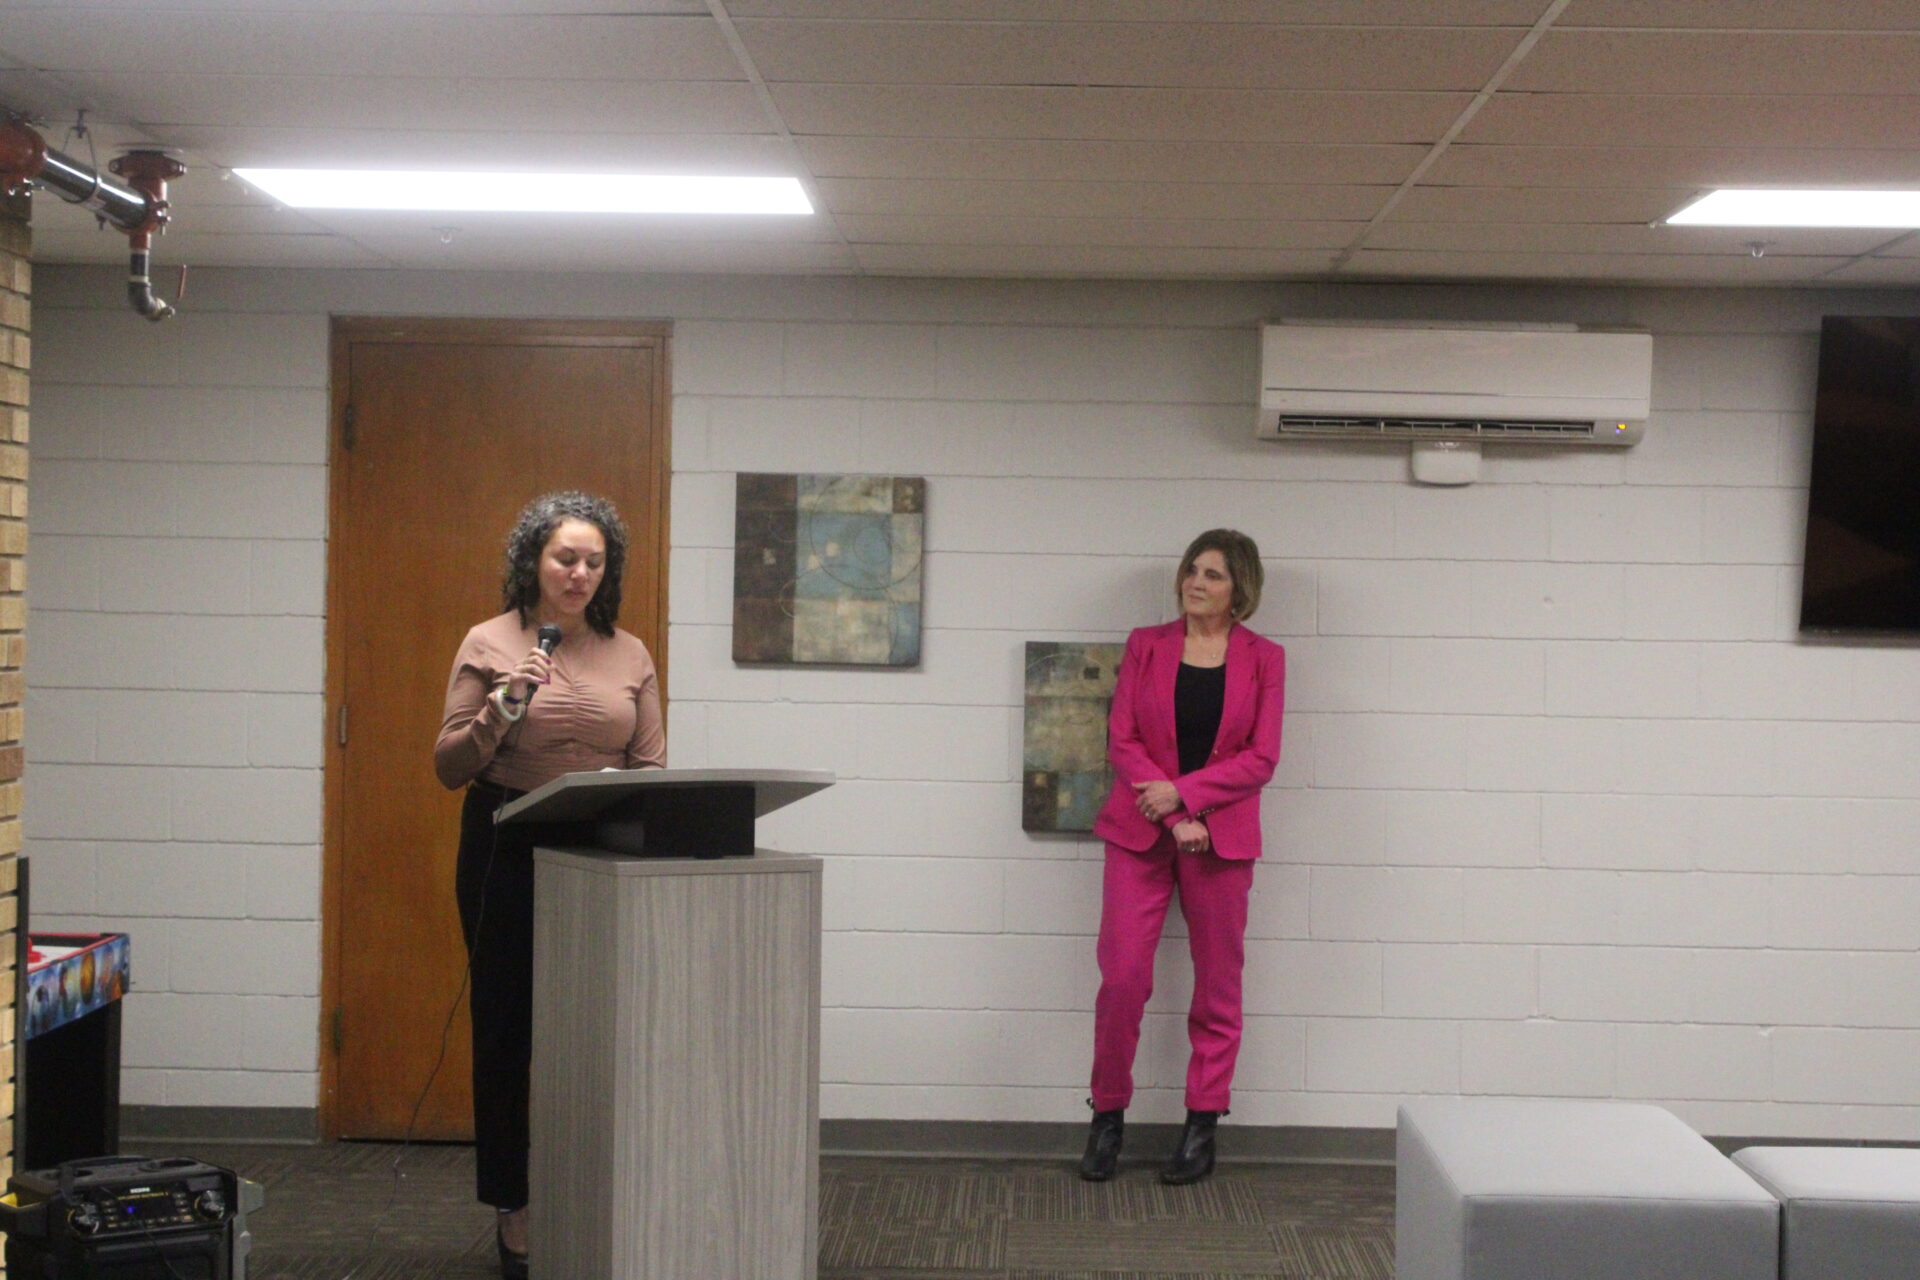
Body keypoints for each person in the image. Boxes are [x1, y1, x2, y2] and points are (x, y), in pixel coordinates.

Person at [434, 491, 665, 1278]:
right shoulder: (489, 641)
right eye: (566, 558)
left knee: (598, 1031)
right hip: (505, 841)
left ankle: (594, 1191)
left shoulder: (630, 653)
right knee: (506, 1031)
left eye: (594, 562)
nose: (579, 573)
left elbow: (651, 767)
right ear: (533, 560)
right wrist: (501, 708)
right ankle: (514, 1205)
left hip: (598, 849)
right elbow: (448, 766)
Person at [1079, 529, 1286, 1185]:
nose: (1196, 581)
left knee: (1218, 986)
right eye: (1192, 569)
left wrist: (1190, 797)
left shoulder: (1266, 658)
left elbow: (1262, 757)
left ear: (1240, 588)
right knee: (1122, 979)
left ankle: (1202, 1124)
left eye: (1213, 574)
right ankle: (1107, 1116)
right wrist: (1174, 814)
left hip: (1222, 840)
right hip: (1141, 833)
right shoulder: (1147, 644)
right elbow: (1123, 740)